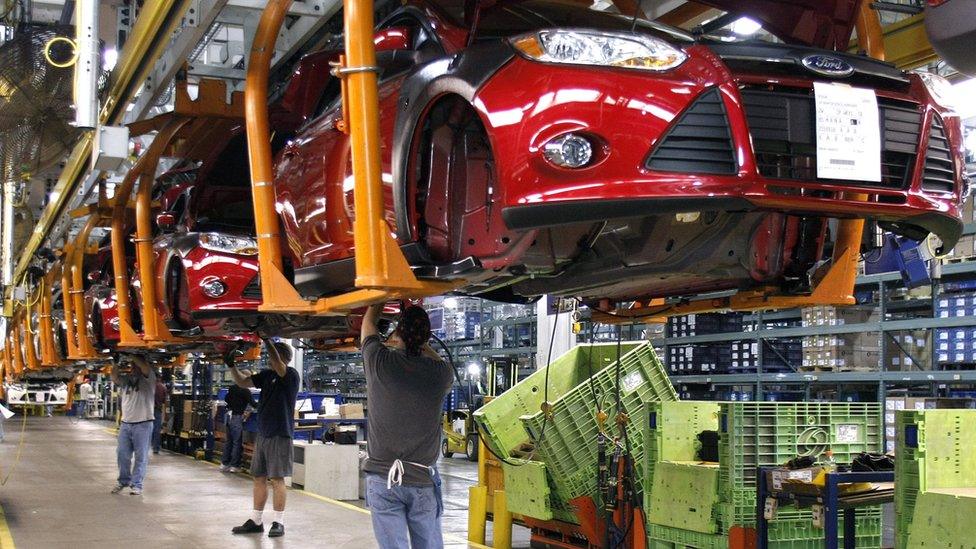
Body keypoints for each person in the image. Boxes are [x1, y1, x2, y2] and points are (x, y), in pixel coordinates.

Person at [360, 304, 454, 549]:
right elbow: (440, 361)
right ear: (426, 338)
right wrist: (419, 343)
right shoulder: (441, 375)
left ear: (397, 334)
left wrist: (379, 297)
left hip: (383, 478)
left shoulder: (379, 361)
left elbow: (368, 325)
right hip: (421, 477)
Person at [229, 341, 299, 539]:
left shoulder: (290, 375)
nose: (268, 359)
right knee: (259, 477)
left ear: (281, 356)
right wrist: (231, 365)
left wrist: (267, 341)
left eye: (271, 355)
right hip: (264, 433)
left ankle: (279, 522)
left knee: (277, 479)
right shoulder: (268, 376)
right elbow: (243, 382)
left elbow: (278, 363)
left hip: (280, 433)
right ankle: (256, 521)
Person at [111, 355, 156, 496]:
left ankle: (137, 484)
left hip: (143, 424)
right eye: (132, 365)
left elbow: (145, 368)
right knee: (122, 454)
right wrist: (116, 362)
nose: (134, 367)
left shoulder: (150, 379)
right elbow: (113, 376)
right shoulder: (126, 380)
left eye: (136, 365)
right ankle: (123, 481)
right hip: (126, 424)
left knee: (140, 456)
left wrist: (132, 355)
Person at [220, 381, 256, 473]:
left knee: (229, 441)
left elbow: (226, 399)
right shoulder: (245, 390)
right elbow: (253, 403)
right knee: (237, 442)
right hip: (237, 417)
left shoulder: (232, 388)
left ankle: (224, 464)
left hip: (229, 416)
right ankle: (234, 466)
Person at [152, 376, 167, 454]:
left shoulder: (150, 385)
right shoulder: (163, 387)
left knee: (147, 428)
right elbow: (165, 403)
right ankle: (156, 448)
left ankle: (145, 446)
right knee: (157, 430)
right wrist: (164, 418)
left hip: (148, 410)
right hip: (158, 410)